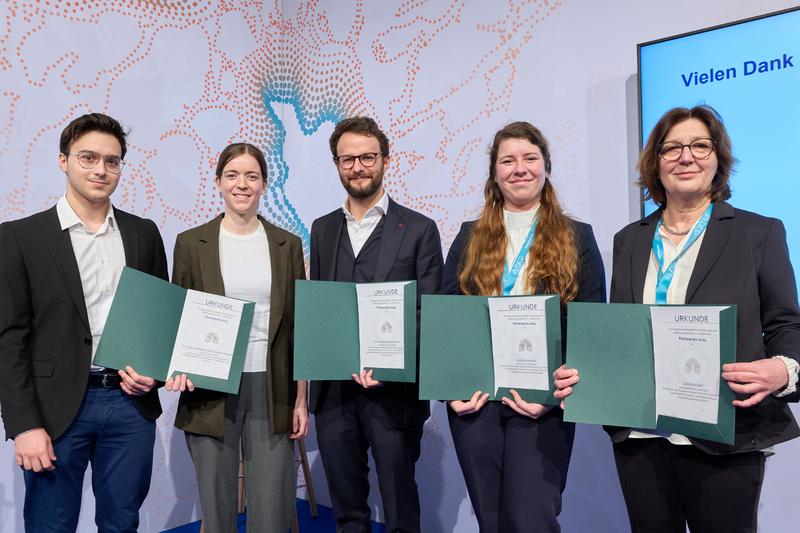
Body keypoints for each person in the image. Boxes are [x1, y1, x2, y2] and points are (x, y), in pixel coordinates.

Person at [555, 105, 800, 533]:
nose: (686, 157)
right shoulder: (629, 239)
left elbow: (786, 325)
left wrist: (783, 369)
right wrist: (584, 373)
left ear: (718, 159)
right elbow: (621, 335)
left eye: (700, 145)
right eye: (672, 148)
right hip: (641, 435)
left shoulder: (758, 233)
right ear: (656, 163)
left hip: (725, 434)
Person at [0, 112, 167, 532]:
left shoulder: (143, 233)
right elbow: (9, 338)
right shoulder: (19, 237)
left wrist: (154, 374)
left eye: (112, 161)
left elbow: (160, 320)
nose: (100, 169)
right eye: (88, 157)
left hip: (129, 406)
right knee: (49, 525)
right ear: (63, 161)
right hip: (53, 410)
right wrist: (23, 425)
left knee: (122, 522)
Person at [440, 121, 605, 533]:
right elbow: (446, 317)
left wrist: (550, 396)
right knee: (491, 520)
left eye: (530, 158)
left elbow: (590, 324)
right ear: (494, 173)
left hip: (540, 402)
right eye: (507, 160)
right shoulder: (469, 237)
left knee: (532, 518)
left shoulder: (576, 236)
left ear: (546, 166)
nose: (519, 168)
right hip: (476, 399)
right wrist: (451, 389)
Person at [309, 116, 443, 532]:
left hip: (394, 394)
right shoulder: (322, 228)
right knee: (347, 509)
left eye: (367, 156)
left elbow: (429, 311)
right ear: (336, 164)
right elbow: (321, 307)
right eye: (347, 159)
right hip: (334, 392)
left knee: (400, 508)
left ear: (386, 159)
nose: (358, 167)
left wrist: (387, 367)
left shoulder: (419, 228)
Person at [165, 142, 308, 533]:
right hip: (210, 388)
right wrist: (175, 367)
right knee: (216, 506)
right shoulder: (192, 243)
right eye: (232, 175)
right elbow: (178, 316)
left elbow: (298, 325)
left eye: (251, 176)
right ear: (217, 183)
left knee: (272, 510)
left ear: (264, 185)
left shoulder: (287, 244)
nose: (241, 184)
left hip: (272, 386)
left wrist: (300, 398)